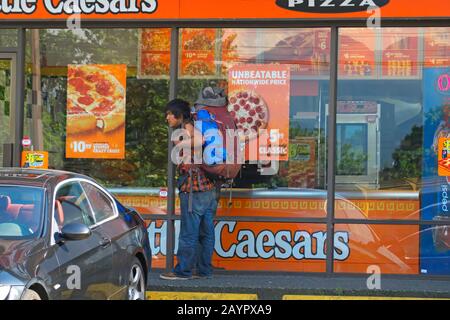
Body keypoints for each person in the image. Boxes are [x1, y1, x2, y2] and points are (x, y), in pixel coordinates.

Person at [160, 96, 221, 280]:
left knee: (188, 233)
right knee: (206, 232)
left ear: (178, 115)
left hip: (194, 189)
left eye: (170, 114)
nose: (167, 118)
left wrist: (179, 144)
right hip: (209, 188)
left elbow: (200, 141)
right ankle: (204, 270)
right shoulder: (198, 124)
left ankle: (183, 271)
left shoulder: (188, 129)